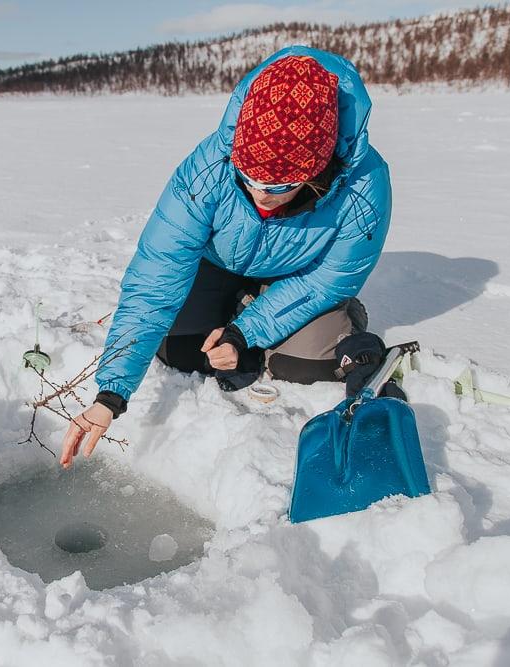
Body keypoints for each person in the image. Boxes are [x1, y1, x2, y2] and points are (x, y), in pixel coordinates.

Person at [60, 46, 391, 469]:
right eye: (248, 176)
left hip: (300, 278)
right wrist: (111, 394)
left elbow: (328, 280)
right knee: (179, 350)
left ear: (315, 171)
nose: (259, 194)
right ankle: (238, 304)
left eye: (279, 185)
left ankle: (338, 318)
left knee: (305, 365)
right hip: (220, 264)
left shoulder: (364, 187)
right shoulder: (209, 167)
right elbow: (155, 278)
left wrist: (243, 332)